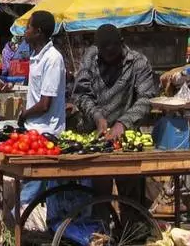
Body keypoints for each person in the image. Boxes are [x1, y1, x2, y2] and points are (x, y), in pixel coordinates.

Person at [73, 24, 158, 218]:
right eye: (104, 52)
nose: (109, 55)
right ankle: (102, 230)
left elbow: (146, 99)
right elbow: (80, 93)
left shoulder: (138, 62)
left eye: (113, 51)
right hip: (96, 138)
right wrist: (97, 117)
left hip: (125, 139)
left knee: (129, 194)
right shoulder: (90, 57)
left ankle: (132, 233)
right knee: (99, 195)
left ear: (121, 43)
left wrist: (123, 123)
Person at [17, 11, 66, 207]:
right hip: (34, 129)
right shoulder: (36, 56)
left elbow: (45, 104)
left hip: (47, 132)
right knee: (32, 186)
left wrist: (24, 114)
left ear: (38, 32)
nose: (25, 31)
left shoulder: (53, 59)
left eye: (28, 27)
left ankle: (16, 229)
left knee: (32, 187)